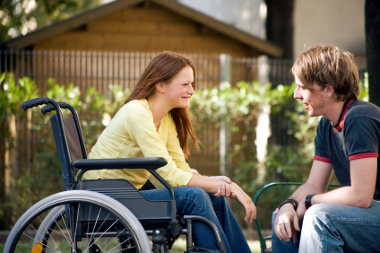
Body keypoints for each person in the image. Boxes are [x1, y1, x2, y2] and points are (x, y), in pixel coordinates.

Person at [82, 51, 255, 253]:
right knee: (194, 196)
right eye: (185, 84)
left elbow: (179, 168)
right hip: (104, 196)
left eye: (192, 84)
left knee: (212, 195)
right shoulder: (137, 113)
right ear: (160, 85)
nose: (191, 90)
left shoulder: (165, 119)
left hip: (129, 193)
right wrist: (228, 186)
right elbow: (170, 176)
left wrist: (216, 182)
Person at [271, 45, 380, 252]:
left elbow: (361, 196)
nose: (296, 94)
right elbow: (314, 184)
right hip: (368, 216)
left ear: (328, 89)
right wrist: (289, 204)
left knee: (318, 216)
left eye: (302, 87)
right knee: (282, 217)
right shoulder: (326, 125)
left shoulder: (359, 117)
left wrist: (311, 201)